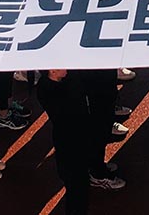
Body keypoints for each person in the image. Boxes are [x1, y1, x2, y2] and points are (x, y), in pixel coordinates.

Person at [38, 70, 91, 215]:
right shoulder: (49, 90)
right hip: (69, 141)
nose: (67, 68)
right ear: (52, 70)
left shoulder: (64, 80)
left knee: (78, 182)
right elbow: (67, 115)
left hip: (75, 137)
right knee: (76, 183)